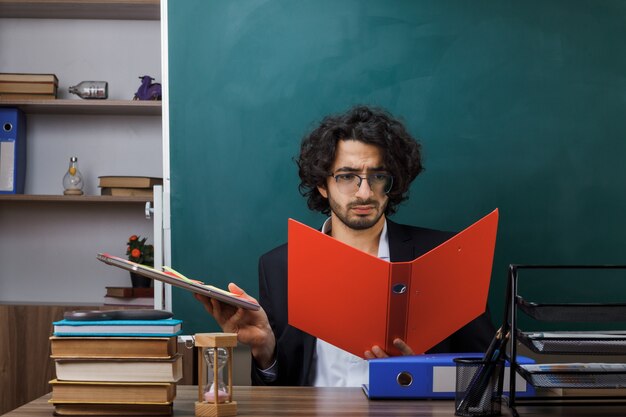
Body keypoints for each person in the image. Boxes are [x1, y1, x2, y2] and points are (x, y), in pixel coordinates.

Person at [195, 105, 496, 387]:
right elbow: (280, 389)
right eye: (347, 177)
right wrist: (265, 352)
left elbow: (488, 376)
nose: (364, 192)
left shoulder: (445, 257)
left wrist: (421, 372)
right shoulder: (279, 266)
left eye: (378, 176)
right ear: (322, 184)